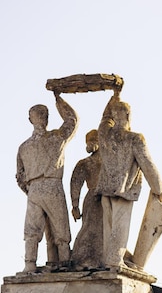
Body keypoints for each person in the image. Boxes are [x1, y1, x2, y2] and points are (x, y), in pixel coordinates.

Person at [96, 91, 162, 270]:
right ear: (128, 115)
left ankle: (108, 260)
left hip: (105, 188)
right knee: (120, 227)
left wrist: (114, 96)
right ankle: (115, 261)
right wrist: (158, 187)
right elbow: (147, 164)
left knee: (108, 227)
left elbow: (104, 119)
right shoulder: (134, 138)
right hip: (124, 189)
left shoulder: (104, 134)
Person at [16, 93, 78, 272]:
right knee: (61, 228)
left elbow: (20, 176)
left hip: (34, 189)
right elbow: (72, 120)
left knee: (32, 230)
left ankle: (29, 264)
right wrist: (59, 100)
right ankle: (65, 263)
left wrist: (30, 189)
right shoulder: (56, 137)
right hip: (52, 185)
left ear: (30, 120)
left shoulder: (24, 147)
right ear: (48, 118)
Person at [70, 129, 103, 270]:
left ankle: (103, 258)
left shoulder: (111, 161)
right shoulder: (84, 163)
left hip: (108, 198)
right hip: (92, 200)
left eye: (92, 141)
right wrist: (75, 206)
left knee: (105, 229)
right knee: (89, 229)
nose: (89, 145)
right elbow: (75, 183)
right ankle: (82, 258)